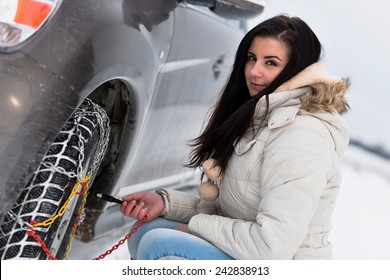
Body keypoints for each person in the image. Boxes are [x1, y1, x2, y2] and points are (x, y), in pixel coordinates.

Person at [120, 14, 350, 260]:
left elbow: (271, 246)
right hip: (251, 252)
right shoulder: (262, 116)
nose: (254, 71)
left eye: (270, 63)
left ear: (296, 70)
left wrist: (197, 227)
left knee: (160, 245)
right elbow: (232, 211)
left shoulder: (302, 135)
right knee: (145, 231)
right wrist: (165, 203)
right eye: (251, 58)